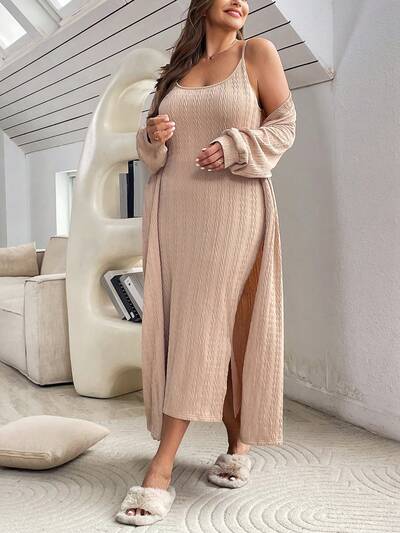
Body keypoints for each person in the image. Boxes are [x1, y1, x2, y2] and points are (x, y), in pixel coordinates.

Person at [116, 0, 297, 526]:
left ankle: (161, 469)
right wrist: (151, 137)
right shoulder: (177, 71)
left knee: (203, 325)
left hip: (232, 207)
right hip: (174, 213)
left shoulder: (257, 53)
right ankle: (238, 444)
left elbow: (285, 125)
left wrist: (235, 145)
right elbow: (151, 150)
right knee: (215, 326)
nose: (241, 1)